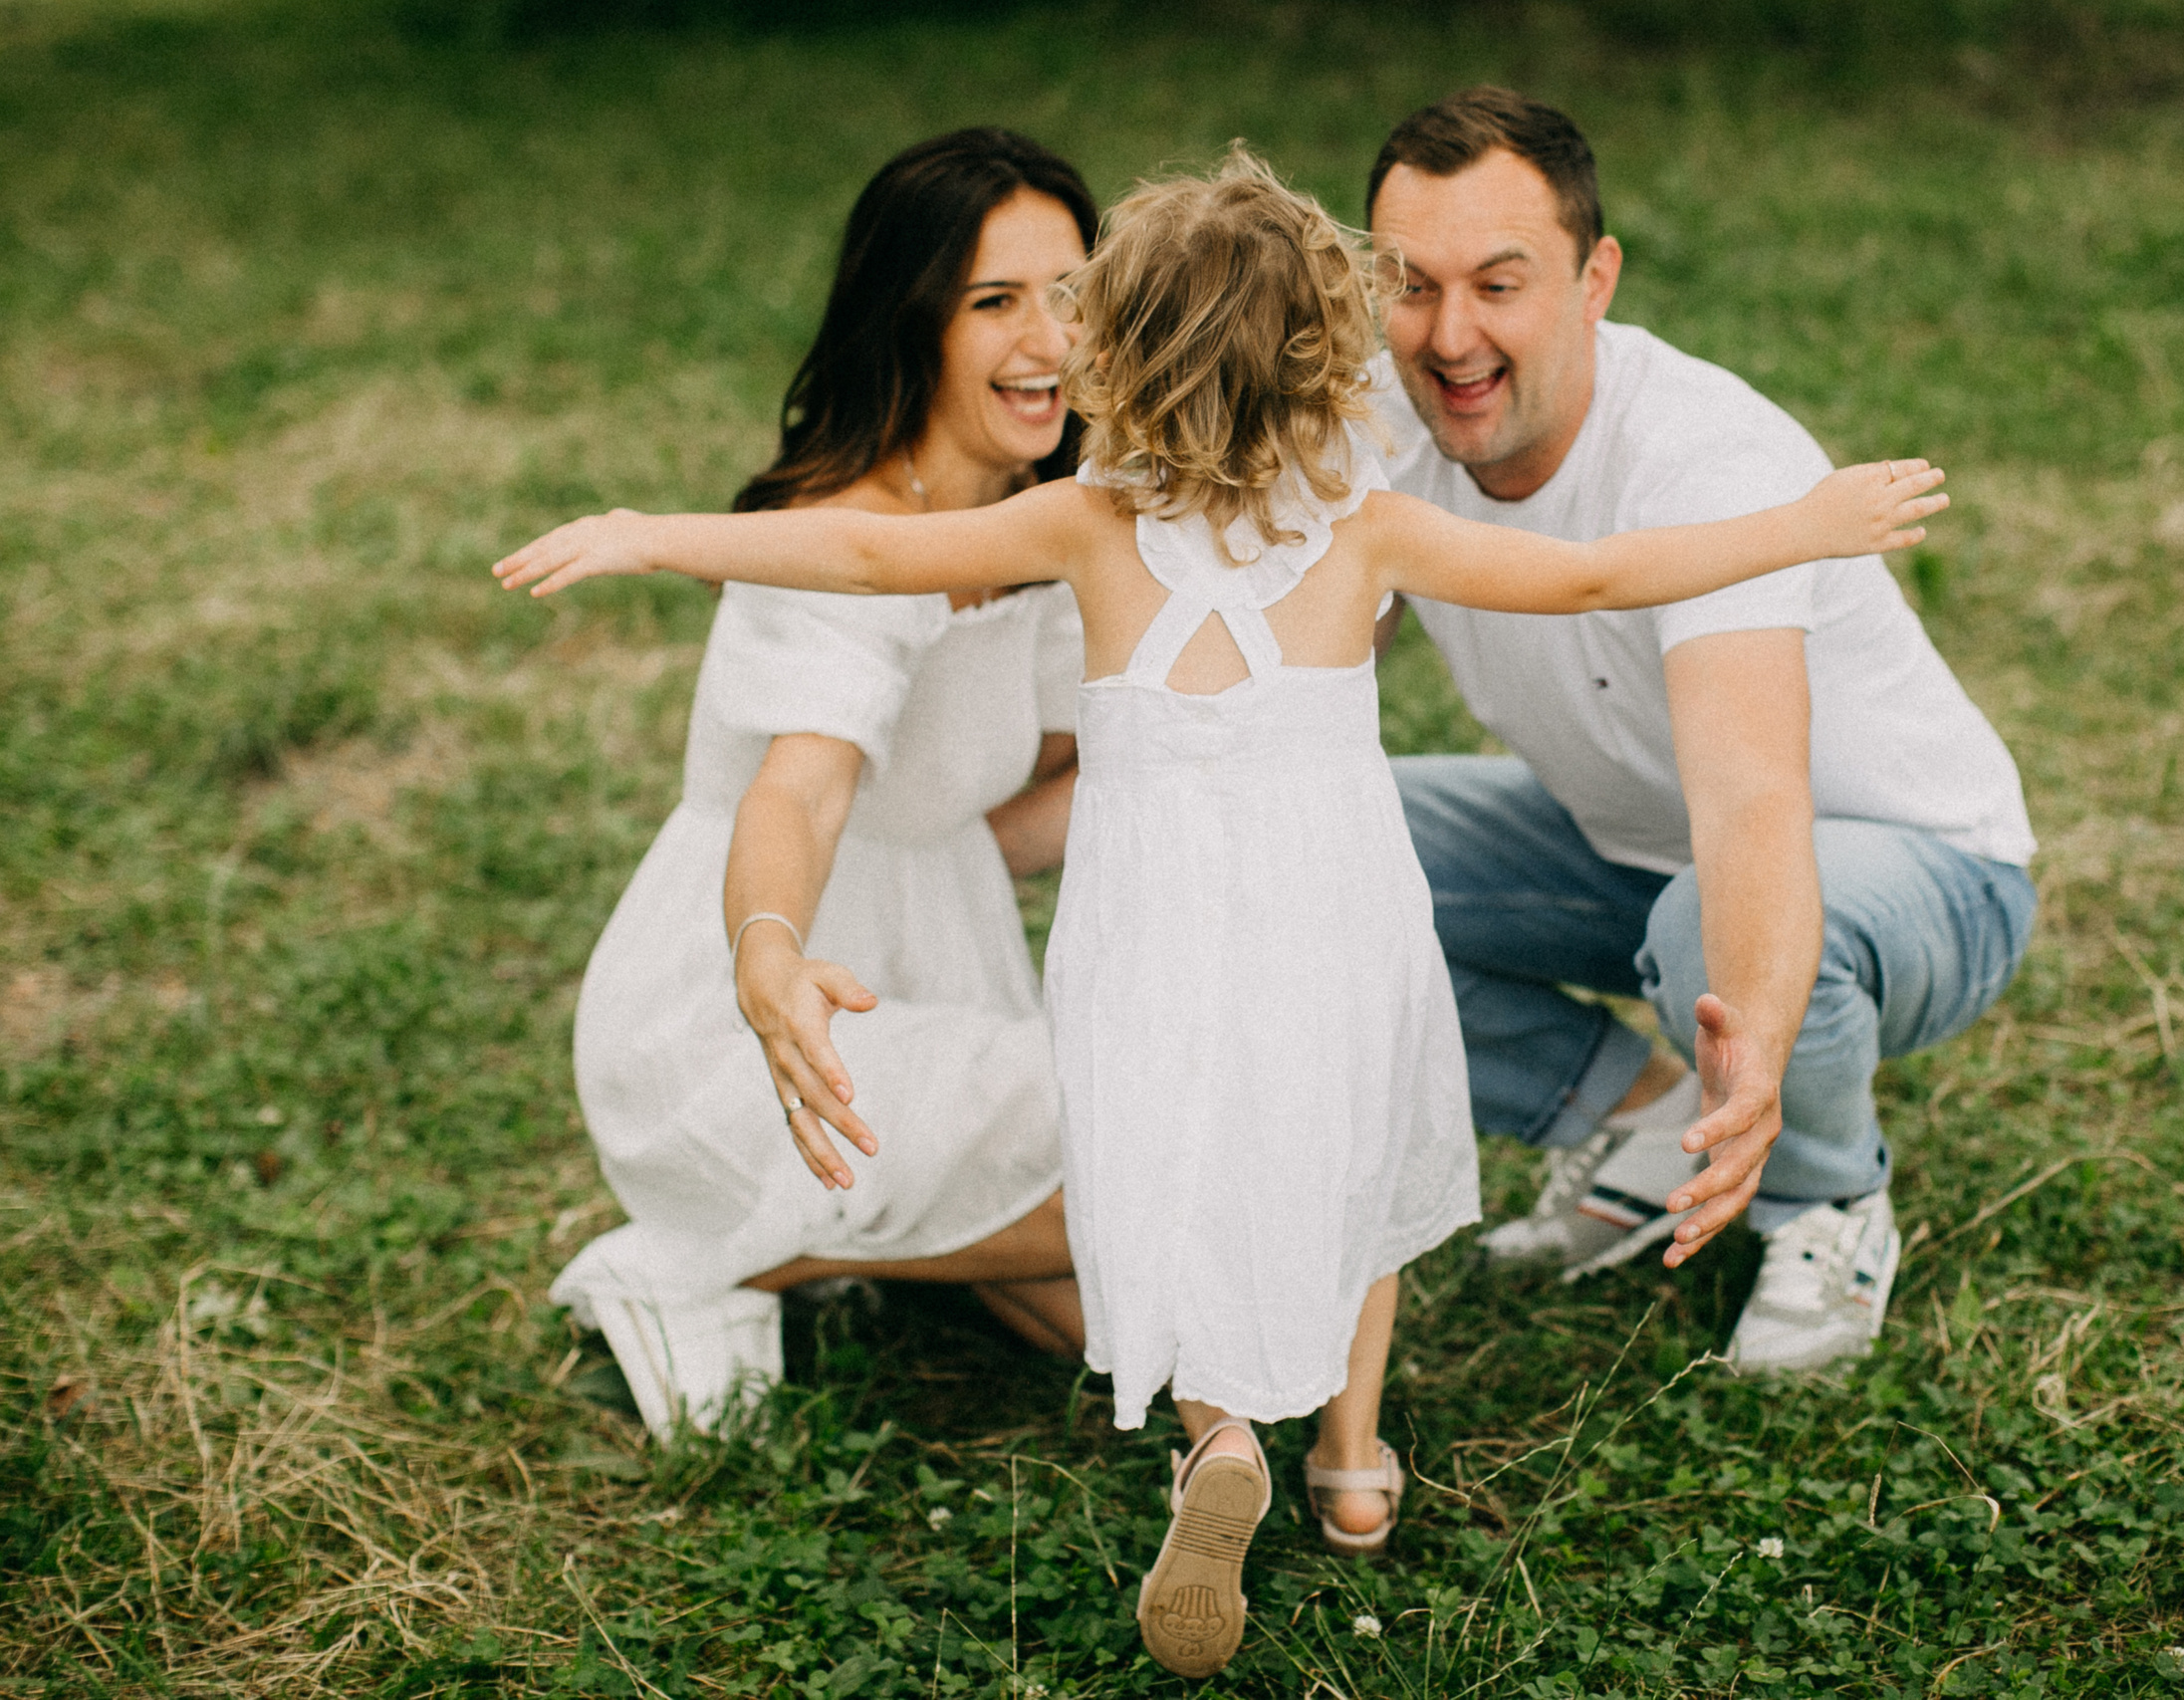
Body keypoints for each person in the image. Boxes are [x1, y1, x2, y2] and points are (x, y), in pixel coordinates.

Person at [494, 147, 1946, 1676]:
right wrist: (1802, 522)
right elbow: (1594, 579)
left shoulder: (1088, 529)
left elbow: (868, 553)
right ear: (1333, 353)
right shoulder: (1371, 527)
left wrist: (659, 534)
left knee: (1168, 1169)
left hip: (1148, 939)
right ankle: (1355, 1464)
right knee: (1353, 1151)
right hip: (1334, 925)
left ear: (1116, 352)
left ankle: (1217, 1439)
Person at [1362, 88, 2039, 1373]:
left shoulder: (1700, 457)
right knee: (1328, 841)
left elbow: (1751, 807)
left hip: (1928, 873)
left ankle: (1827, 1200)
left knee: (1702, 928)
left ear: (1594, 279)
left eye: (1500, 285)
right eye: (1409, 284)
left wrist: (1762, 1051)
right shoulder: (1383, 428)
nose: (1450, 337)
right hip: (1625, 847)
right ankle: (1642, 1119)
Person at [548, 128, 1101, 1443]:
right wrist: (770, 954)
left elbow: (1076, 782)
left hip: (930, 990)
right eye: (994, 302)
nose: (1048, 338)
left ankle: (835, 1244)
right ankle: (720, 1256)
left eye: (1070, 292)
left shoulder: (1045, 525)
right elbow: (797, 797)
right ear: (911, 323)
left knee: (1131, 1323)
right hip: (754, 1030)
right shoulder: (844, 542)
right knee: (1145, 1149)